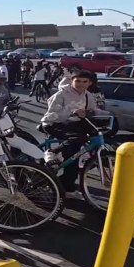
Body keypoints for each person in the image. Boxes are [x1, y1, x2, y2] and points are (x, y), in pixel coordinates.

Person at [40, 69, 105, 197]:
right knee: (76, 142)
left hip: (73, 125)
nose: (81, 84)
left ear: (89, 83)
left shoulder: (88, 95)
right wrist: (72, 112)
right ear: (72, 81)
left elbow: (93, 110)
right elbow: (52, 115)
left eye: (84, 82)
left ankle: (67, 186)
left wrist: (108, 113)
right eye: (78, 81)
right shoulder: (61, 94)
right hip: (54, 124)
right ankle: (52, 153)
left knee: (74, 157)